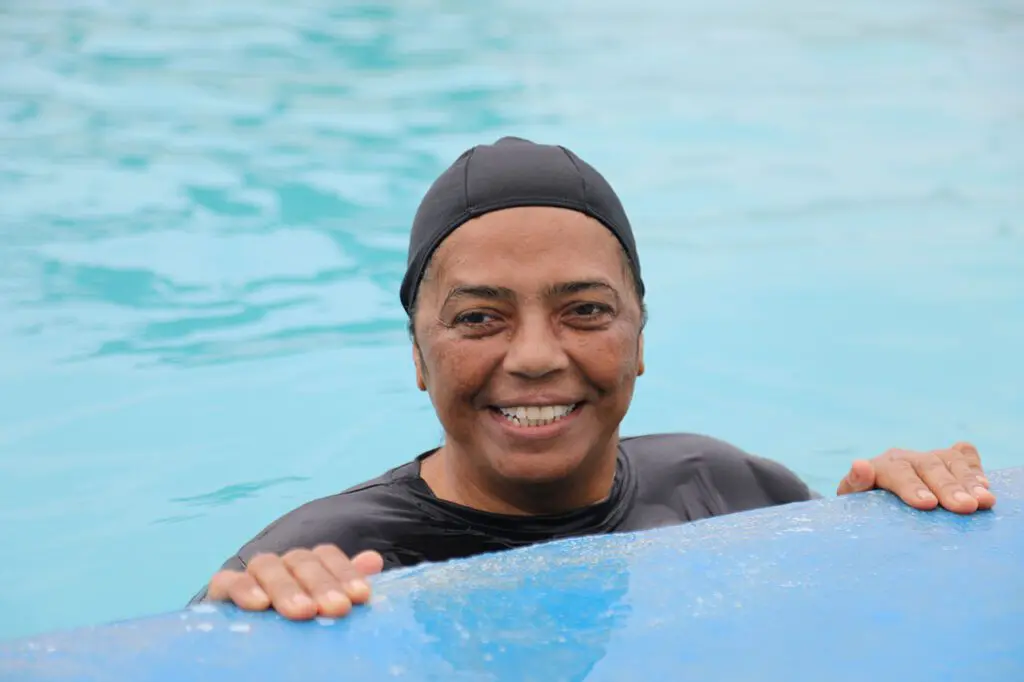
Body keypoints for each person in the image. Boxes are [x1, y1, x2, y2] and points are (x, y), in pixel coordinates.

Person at [192, 137, 996, 621]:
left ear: (640, 337)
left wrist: (889, 532)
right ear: (416, 355)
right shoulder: (323, 566)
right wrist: (239, 634)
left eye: (584, 310)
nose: (537, 356)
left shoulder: (731, 490)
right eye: (480, 317)